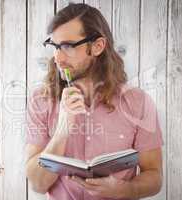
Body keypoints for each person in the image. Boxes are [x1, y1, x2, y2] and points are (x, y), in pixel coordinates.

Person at [25, 3, 163, 200]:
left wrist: (126, 190)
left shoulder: (138, 102)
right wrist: (63, 128)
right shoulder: (40, 100)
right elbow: (38, 184)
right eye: (54, 46)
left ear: (98, 46)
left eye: (67, 46)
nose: (58, 58)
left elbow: (154, 176)